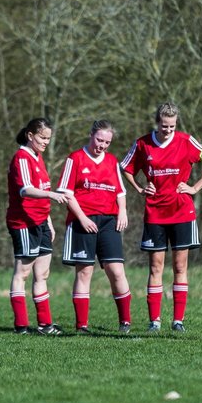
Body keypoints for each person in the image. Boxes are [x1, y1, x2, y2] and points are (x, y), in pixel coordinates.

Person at [120, 102, 202, 334]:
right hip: (155, 214)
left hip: (182, 212)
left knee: (180, 267)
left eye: (172, 126)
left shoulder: (186, 140)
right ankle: (155, 321)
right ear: (156, 123)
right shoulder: (143, 143)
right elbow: (125, 167)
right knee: (156, 267)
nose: (168, 130)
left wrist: (195, 187)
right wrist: (140, 188)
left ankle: (178, 321)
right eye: (164, 126)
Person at [57, 119, 133, 333]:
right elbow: (66, 193)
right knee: (84, 272)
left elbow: (120, 192)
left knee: (116, 270)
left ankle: (125, 322)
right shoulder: (75, 158)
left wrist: (123, 212)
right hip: (83, 220)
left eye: (107, 142)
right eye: (99, 140)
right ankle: (82, 325)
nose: (102, 145)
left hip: (109, 220)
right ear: (91, 135)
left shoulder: (111, 161)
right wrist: (82, 218)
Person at [6, 117, 68, 335]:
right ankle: (21, 326)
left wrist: (48, 221)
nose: (46, 142)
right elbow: (26, 190)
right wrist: (52, 195)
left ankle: (45, 324)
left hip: (40, 222)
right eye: (42, 138)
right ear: (30, 136)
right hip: (23, 222)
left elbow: (41, 190)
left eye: (49, 138)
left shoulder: (37, 157)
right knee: (22, 273)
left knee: (42, 274)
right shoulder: (21, 158)